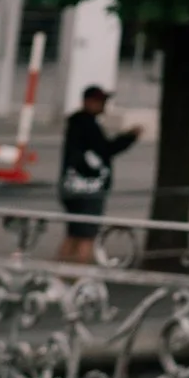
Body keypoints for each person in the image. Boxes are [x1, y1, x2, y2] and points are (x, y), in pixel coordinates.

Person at [56, 85, 139, 264]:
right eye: (100, 101)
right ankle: (79, 275)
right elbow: (106, 150)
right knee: (86, 237)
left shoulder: (78, 123)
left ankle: (61, 274)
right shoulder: (87, 125)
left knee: (73, 234)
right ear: (88, 102)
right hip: (87, 188)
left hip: (72, 186)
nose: (104, 105)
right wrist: (129, 138)